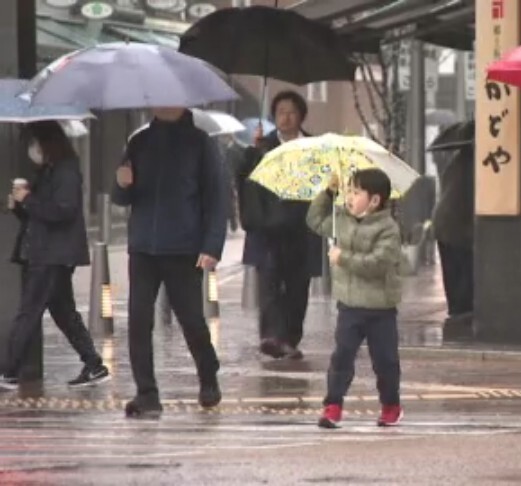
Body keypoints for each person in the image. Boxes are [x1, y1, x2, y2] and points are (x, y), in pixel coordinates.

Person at [112, 107, 226, 418]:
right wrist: (122, 184)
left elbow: (217, 198)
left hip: (182, 247)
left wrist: (212, 245)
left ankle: (208, 371)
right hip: (143, 248)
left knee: (191, 320)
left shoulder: (201, 144)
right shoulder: (139, 142)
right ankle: (147, 393)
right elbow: (121, 197)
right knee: (138, 321)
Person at [0, 121, 110, 391]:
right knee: (63, 312)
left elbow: (63, 211)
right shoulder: (49, 171)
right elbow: (38, 214)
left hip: (52, 254)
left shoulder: (66, 172)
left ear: (47, 143)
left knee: (29, 311)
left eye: (34, 143)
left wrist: (28, 199)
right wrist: (19, 204)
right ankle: (94, 364)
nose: (32, 150)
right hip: (44, 251)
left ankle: (9, 371)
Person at [307, 169, 404, 429]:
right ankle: (333, 405)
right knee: (342, 357)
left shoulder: (388, 229)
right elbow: (315, 220)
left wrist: (343, 258)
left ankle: (391, 405)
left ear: (374, 200)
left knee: (385, 361)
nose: (350, 197)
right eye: (348, 191)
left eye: (356, 192)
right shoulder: (342, 220)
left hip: (381, 309)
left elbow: (377, 264)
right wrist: (329, 192)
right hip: (349, 307)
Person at [235, 90, 321, 360]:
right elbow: (242, 178)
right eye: (281, 112)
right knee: (269, 283)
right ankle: (271, 336)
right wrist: (252, 151)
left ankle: (291, 339)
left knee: (297, 288)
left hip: (302, 229)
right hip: (268, 229)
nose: (286, 117)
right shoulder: (262, 147)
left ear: (301, 116)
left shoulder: (314, 147)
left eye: (291, 111)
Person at [432, 143, 474, 322]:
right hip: (455, 222)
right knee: (463, 264)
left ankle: (456, 307)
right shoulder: (472, 165)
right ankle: (462, 308)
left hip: (443, 220)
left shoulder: (455, 163)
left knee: (451, 266)